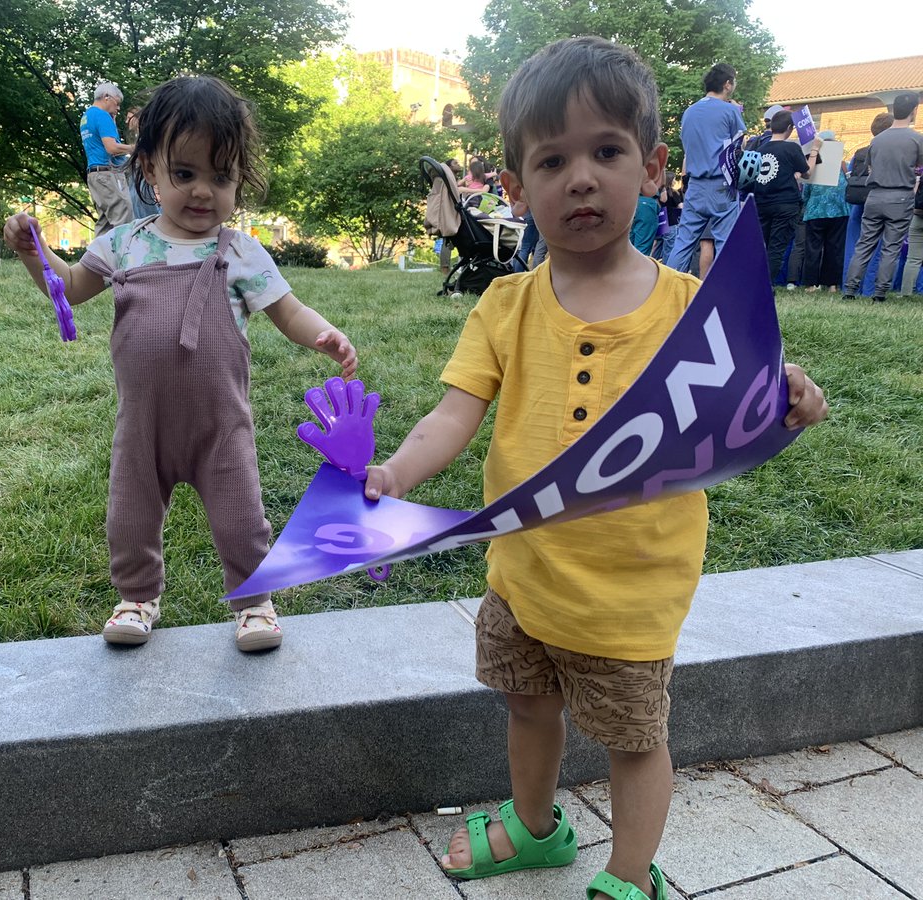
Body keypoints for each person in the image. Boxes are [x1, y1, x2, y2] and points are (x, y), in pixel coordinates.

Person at [361, 37, 828, 900]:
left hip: (631, 595)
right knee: (527, 707)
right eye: (552, 160)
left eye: (606, 152)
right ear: (514, 188)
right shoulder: (506, 306)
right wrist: (394, 473)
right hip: (523, 578)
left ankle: (627, 877)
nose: (581, 178)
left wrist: (790, 398)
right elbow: (452, 416)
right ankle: (536, 830)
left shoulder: (694, 309)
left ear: (652, 169)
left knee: (632, 741)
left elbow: (751, 410)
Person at [5, 75, 357, 651]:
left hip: (220, 424)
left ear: (240, 179)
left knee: (243, 520)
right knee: (130, 517)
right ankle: (137, 597)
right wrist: (33, 251)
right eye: (185, 174)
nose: (203, 192)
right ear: (149, 170)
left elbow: (288, 310)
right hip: (143, 422)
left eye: (221, 177)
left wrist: (323, 336)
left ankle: (254, 603)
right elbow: (66, 287)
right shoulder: (122, 244)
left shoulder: (240, 251)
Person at [665, 63, 746, 276]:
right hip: (722, 184)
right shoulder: (730, 110)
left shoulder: (689, 112)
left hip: (695, 185)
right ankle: (723, 290)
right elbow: (739, 148)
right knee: (726, 243)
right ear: (727, 84)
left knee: (683, 242)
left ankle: (670, 287)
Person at [843, 92, 923, 302]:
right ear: (914, 111)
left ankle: (850, 290)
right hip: (901, 197)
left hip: (875, 196)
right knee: (891, 247)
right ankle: (879, 294)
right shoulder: (916, 139)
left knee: (864, 244)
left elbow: (870, 167)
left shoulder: (876, 140)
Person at [751, 109, 819, 283]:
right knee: (777, 247)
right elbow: (807, 173)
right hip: (786, 204)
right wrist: (814, 151)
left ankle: (756, 281)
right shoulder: (791, 147)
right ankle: (766, 284)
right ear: (790, 127)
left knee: (763, 245)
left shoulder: (760, 148)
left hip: (762, 203)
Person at [80, 81, 134, 237]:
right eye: (117, 103)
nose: (118, 108)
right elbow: (112, 148)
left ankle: (95, 260)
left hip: (95, 175)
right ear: (106, 97)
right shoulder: (102, 116)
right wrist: (134, 148)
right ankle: (126, 259)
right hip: (108, 173)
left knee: (105, 224)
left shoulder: (86, 116)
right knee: (124, 217)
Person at [801, 131, 851, 293]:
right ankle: (832, 285)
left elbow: (806, 191)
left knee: (813, 248)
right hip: (839, 211)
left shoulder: (815, 166)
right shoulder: (843, 166)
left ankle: (811, 284)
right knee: (835, 249)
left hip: (815, 211)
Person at [124, 106, 162, 220]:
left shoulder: (145, 136)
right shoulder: (136, 137)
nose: (127, 122)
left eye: (129, 118)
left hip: (141, 174)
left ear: (138, 118)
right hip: (135, 174)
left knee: (141, 197)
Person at [657, 172, 682, 263]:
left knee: (659, 246)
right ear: (670, 180)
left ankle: (654, 263)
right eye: (674, 179)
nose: (675, 181)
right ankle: (667, 266)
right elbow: (681, 206)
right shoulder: (673, 193)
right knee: (670, 248)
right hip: (671, 222)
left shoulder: (660, 191)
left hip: (661, 221)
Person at [629, 181, 659, 254]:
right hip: (647, 202)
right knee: (642, 246)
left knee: (627, 243)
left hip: (630, 200)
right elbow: (664, 198)